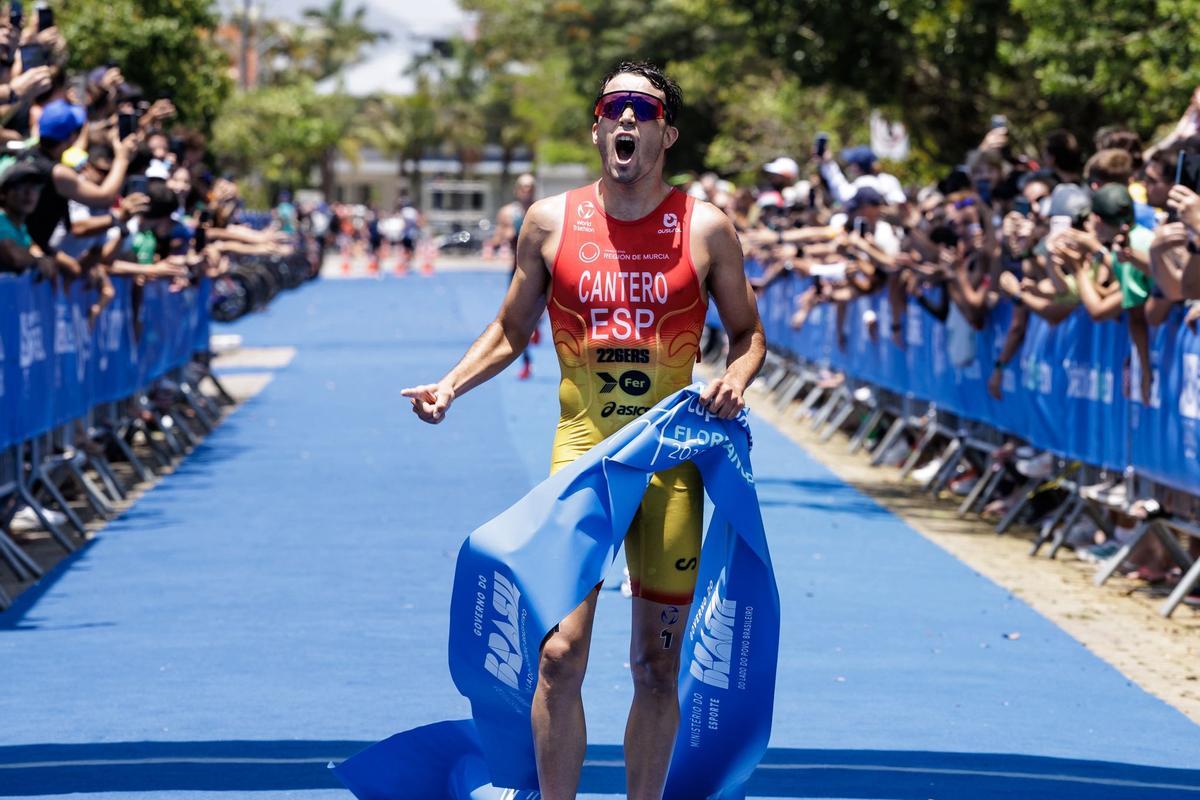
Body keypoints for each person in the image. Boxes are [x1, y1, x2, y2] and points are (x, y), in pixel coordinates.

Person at [401, 60, 765, 800]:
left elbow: (749, 335)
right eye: (614, 106)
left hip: (671, 466)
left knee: (655, 666)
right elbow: (510, 330)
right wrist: (450, 384)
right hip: (582, 463)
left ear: (667, 130)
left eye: (643, 107)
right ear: (597, 125)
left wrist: (734, 377)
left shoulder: (704, 227)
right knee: (559, 654)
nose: (627, 118)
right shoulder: (549, 223)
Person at [492, 172, 538, 379]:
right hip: (518, 270)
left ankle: (538, 323)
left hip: (543, 270)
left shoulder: (543, 210)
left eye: (530, 187)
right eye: (523, 187)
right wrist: (507, 234)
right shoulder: (508, 213)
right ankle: (527, 361)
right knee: (516, 319)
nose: (527, 192)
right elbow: (500, 236)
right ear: (517, 190)